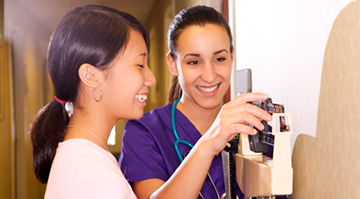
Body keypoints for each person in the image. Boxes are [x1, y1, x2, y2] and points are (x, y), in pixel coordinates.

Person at [119, 5, 277, 199]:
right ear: (173, 64)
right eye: (194, 62)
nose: (210, 76)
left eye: (219, 59)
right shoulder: (144, 132)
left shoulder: (254, 127)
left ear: (232, 57)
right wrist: (208, 145)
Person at [30, 4, 155, 198]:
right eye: (140, 65)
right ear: (91, 75)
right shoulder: (95, 176)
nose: (151, 79)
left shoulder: (85, 160)